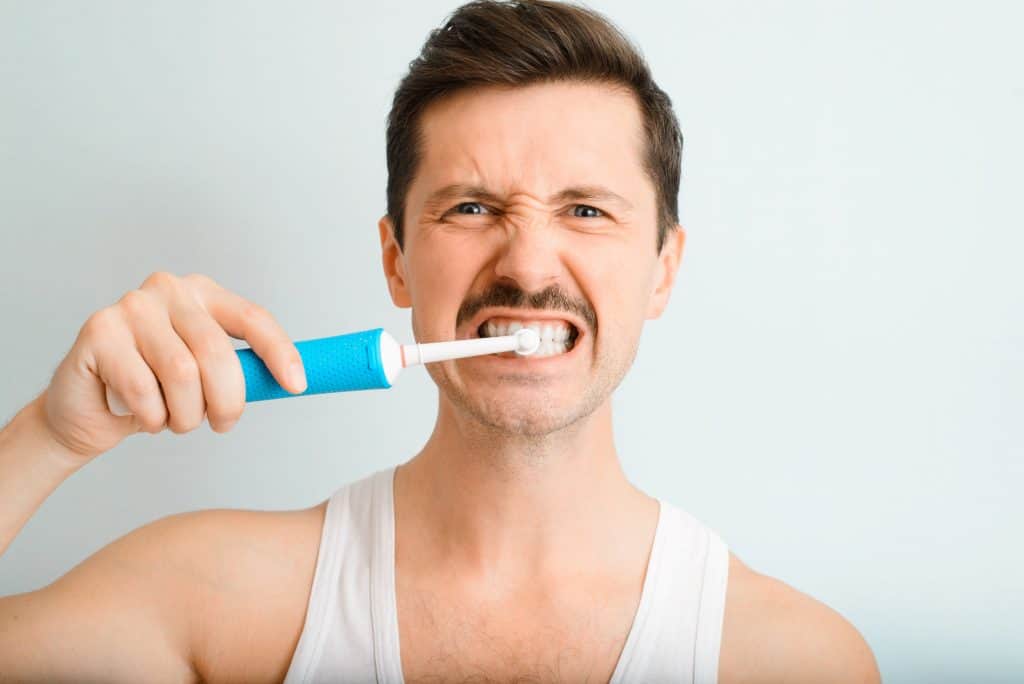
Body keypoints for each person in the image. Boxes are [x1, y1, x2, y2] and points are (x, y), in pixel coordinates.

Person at [0, 1, 881, 682]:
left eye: (585, 210)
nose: (528, 261)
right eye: (471, 207)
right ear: (396, 260)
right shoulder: (217, 597)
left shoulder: (793, 658)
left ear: (662, 269)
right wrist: (50, 435)